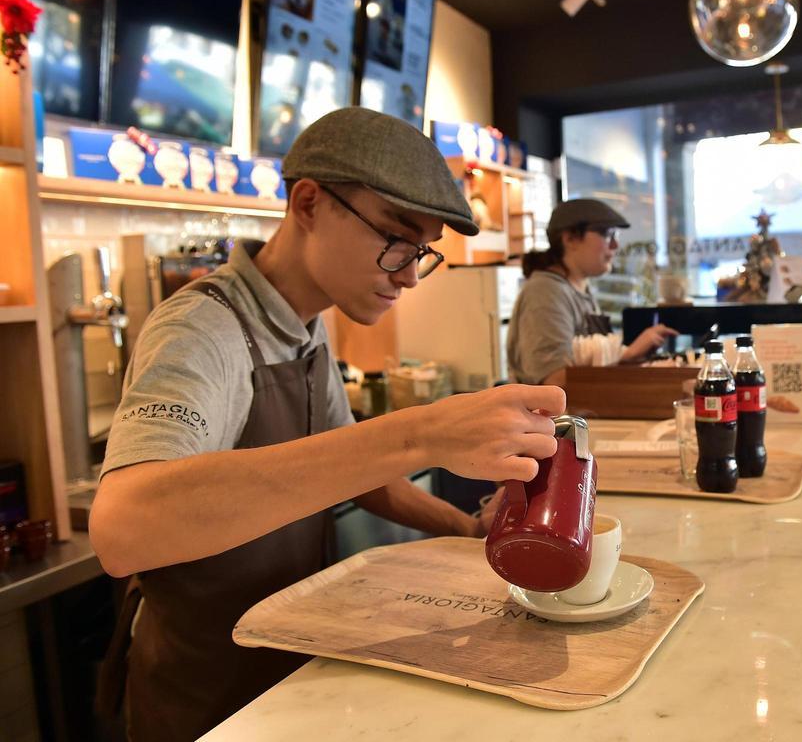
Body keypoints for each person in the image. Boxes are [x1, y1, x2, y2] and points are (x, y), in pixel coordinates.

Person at [89, 107, 565, 741]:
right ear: (308, 203)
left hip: (288, 674)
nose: (406, 275)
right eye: (395, 238)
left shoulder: (310, 322)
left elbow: (356, 477)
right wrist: (419, 433)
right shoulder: (200, 330)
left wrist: (466, 528)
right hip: (205, 695)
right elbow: (124, 526)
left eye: (420, 252)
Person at [506, 198, 678, 385]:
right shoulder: (545, 292)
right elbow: (553, 381)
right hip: (554, 414)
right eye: (606, 234)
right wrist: (626, 354)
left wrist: (628, 357)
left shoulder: (580, 289)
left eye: (616, 236)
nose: (615, 246)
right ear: (570, 239)